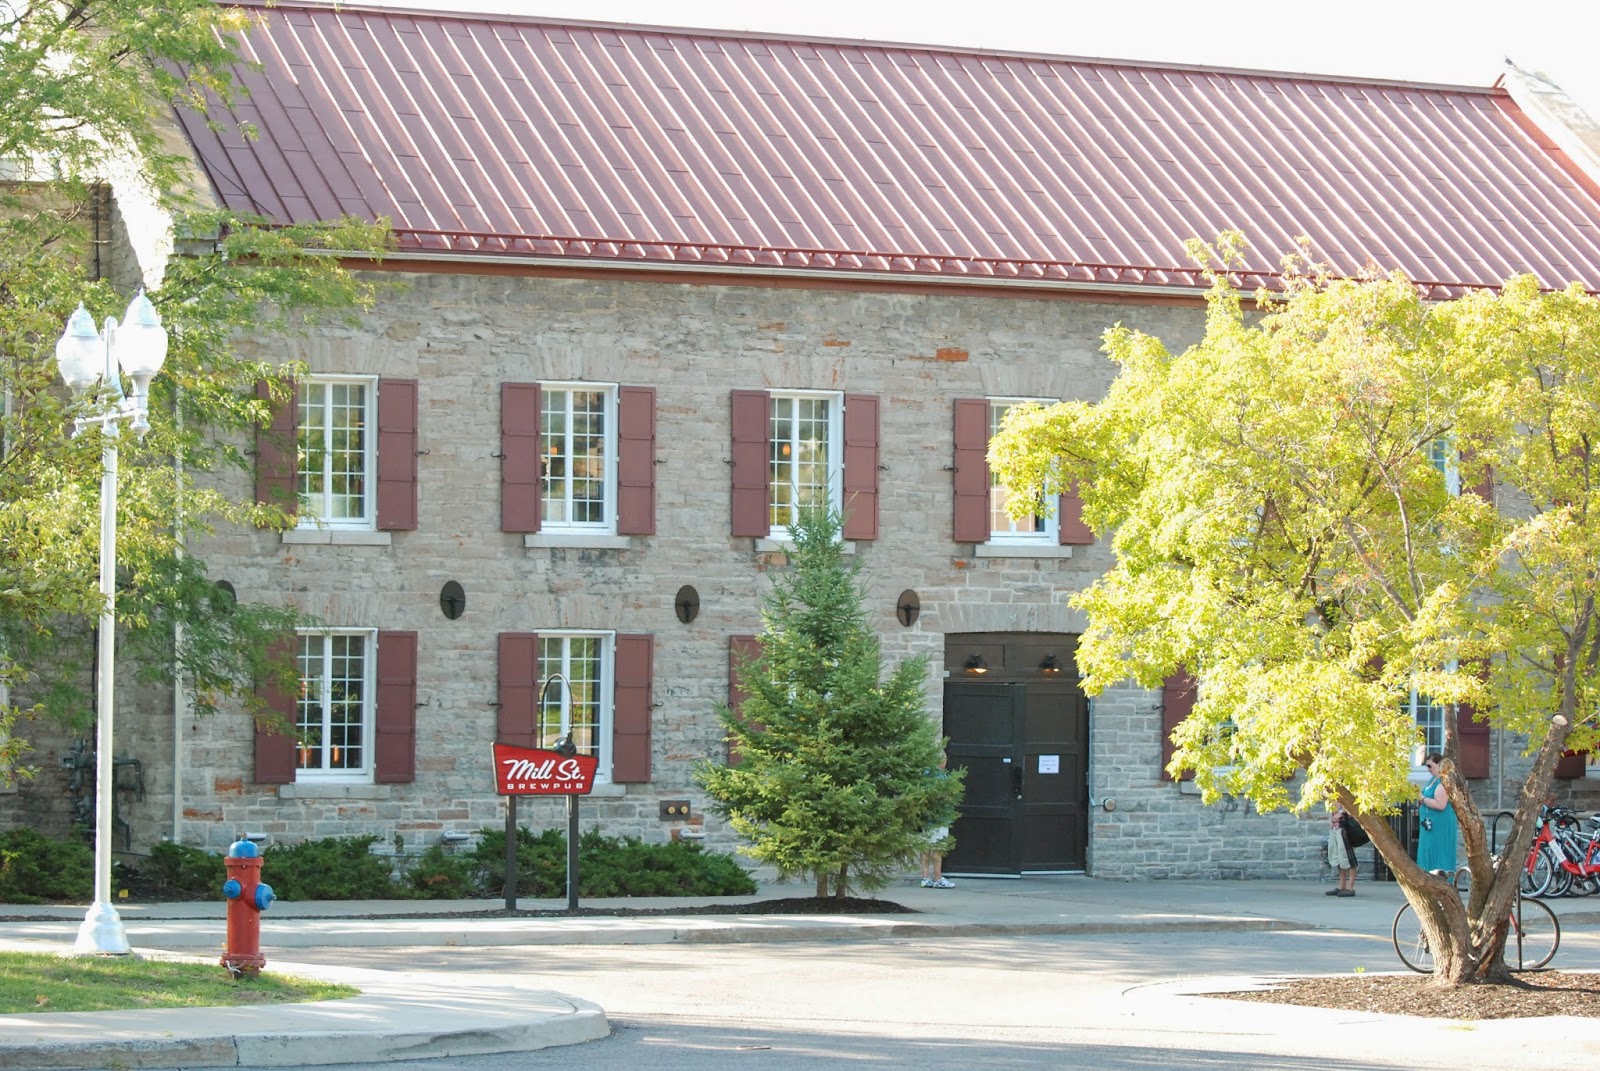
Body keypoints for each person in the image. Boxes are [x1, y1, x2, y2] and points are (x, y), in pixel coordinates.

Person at [1416, 752, 1460, 874]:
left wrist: (1422, 798)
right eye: (1427, 766)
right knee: (1427, 850)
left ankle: (1441, 880)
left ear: (1439, 765)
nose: (1428, 769)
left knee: (1438, 851)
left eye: (1430, 766)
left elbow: (1441, 805)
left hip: (1439, 825)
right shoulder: (1433, 780)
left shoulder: (1442, 782)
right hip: (1429, 825)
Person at [920, 754, 955, 889]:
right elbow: (947, 798)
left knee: (924, 848)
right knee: (938, 849)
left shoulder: (924, 776)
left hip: (925, 819)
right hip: (939, 819)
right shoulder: (941, 778)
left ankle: (925, 877)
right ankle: (938, 877)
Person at [1325, 803, 1358, 897]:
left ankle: (1350, 888)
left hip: (1345, 829)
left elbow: (1354, 809)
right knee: (1338, 857)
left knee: (1348, 857)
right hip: (1335, 828)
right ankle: (1341, 886)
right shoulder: (1333, 797)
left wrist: (1342, 813)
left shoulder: (1348, 794)